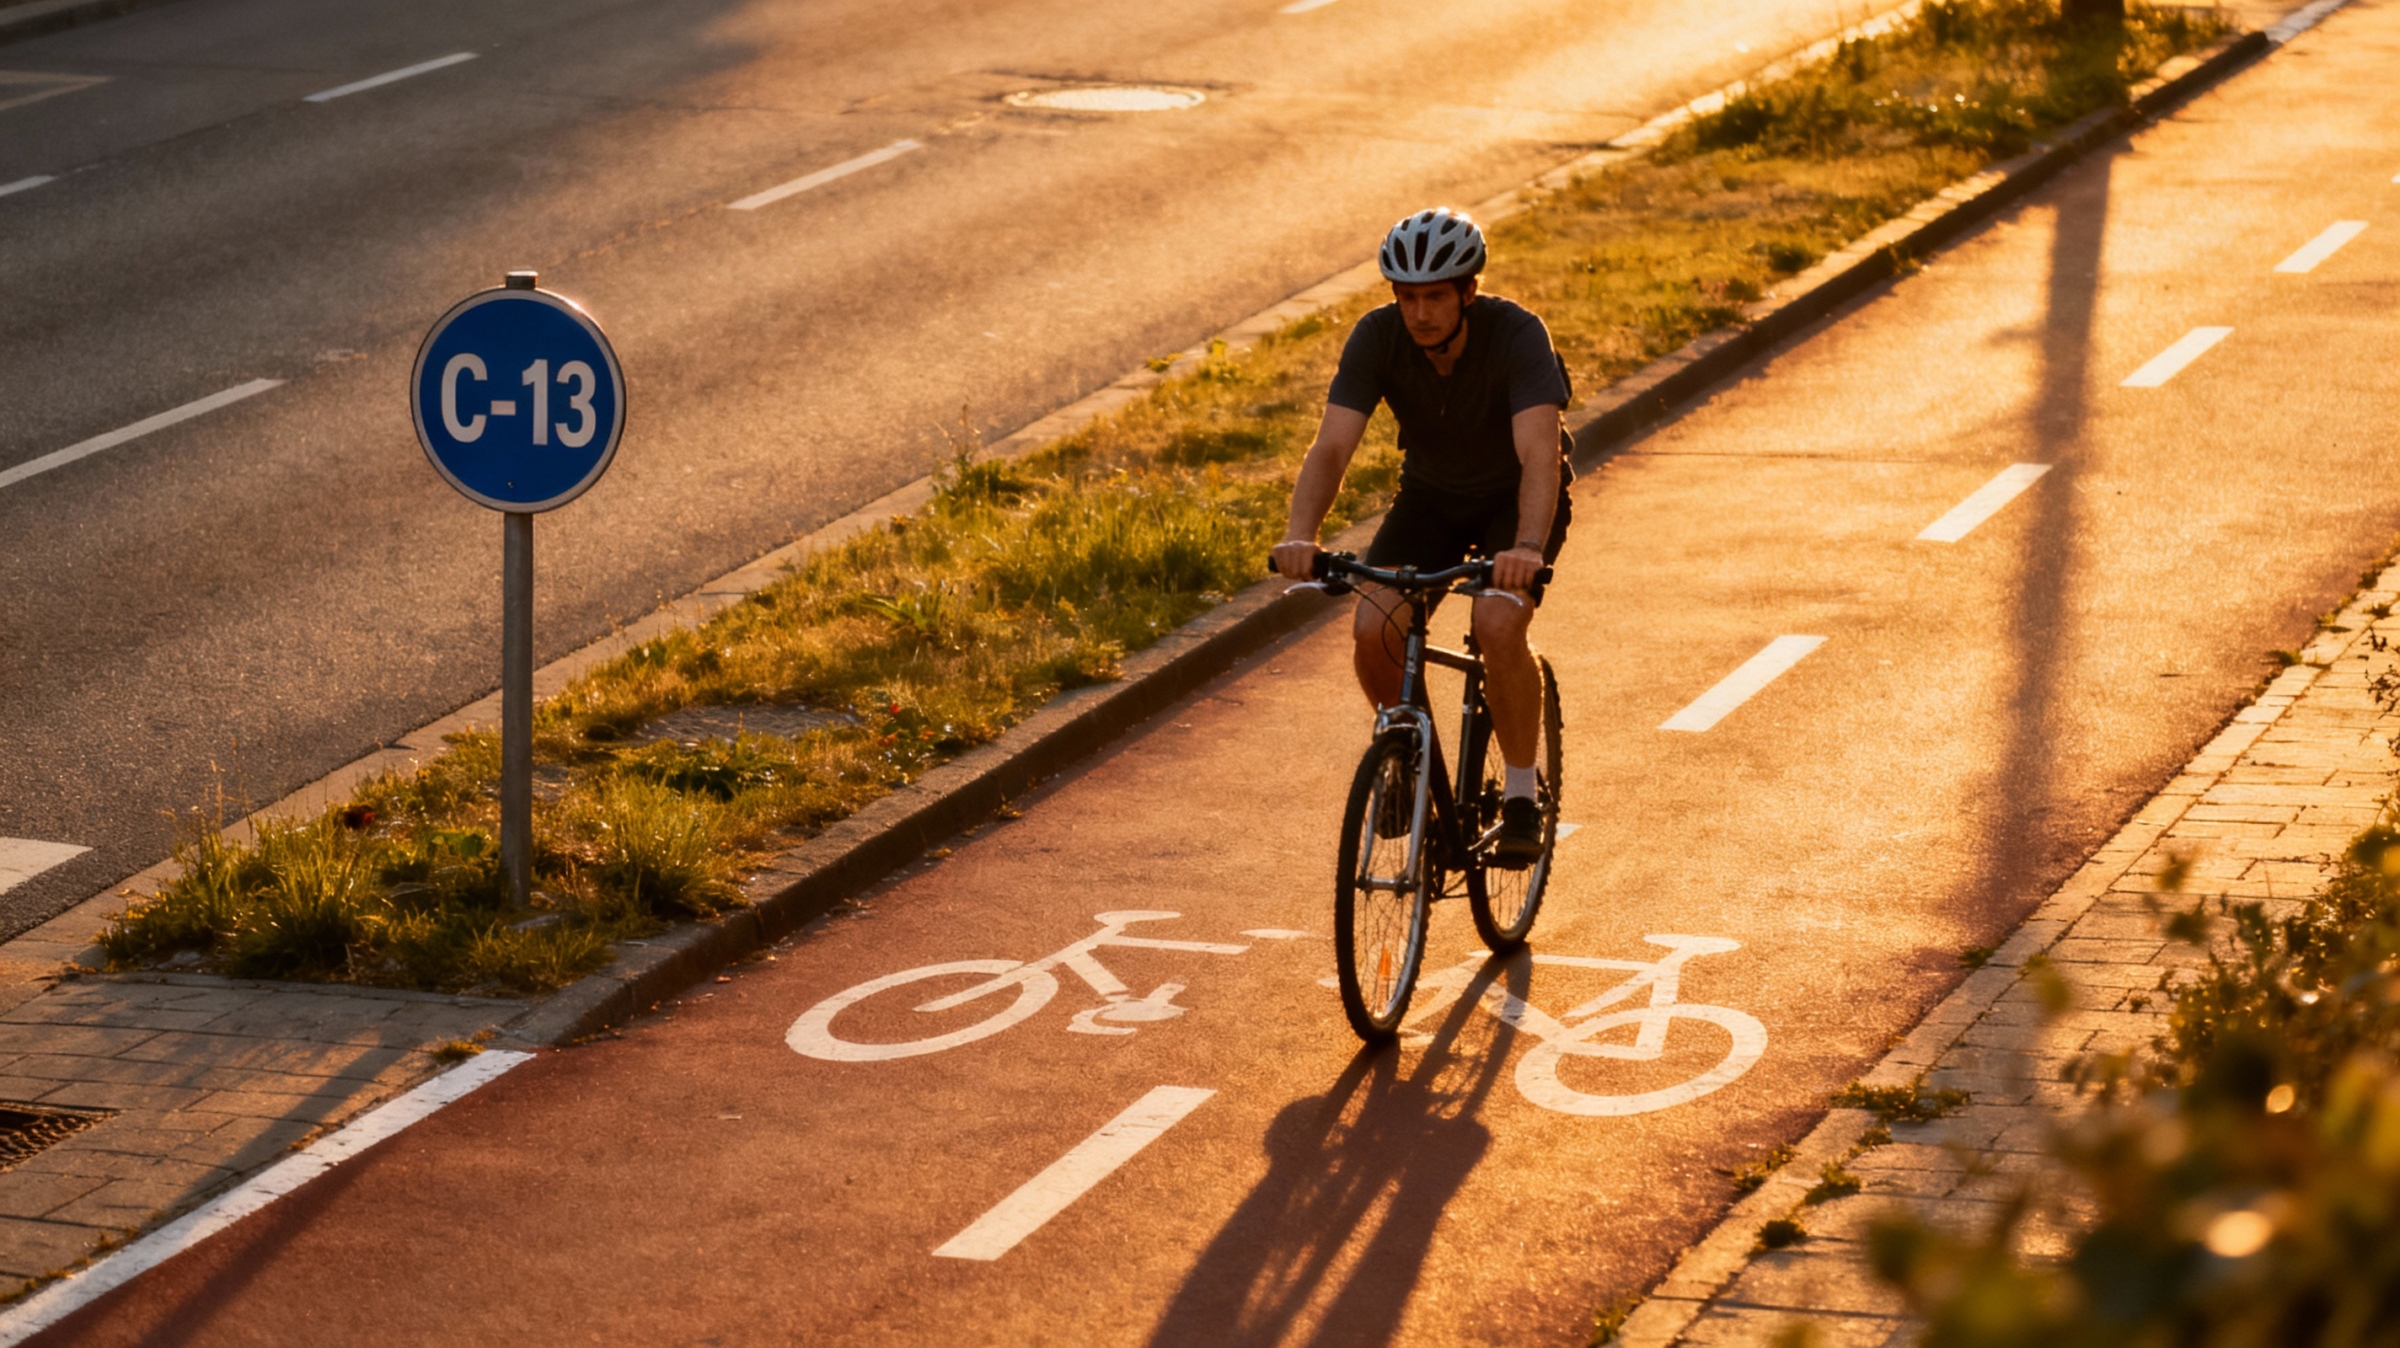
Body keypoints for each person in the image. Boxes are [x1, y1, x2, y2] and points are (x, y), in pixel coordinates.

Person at [1270, 207, 1571, 865]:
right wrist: (1301, 535)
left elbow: (1539, 456)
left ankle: (1521, 795)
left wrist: (1524, 547)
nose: (1420, 312)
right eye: (1407, 297)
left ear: (1468, 291)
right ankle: (1408, 756)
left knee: (1496, 625)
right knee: (1373, 630)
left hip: (1511, 503)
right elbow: (1331, 448)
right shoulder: (1377, 338)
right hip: (1431, 499)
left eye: (1436, 296)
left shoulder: (1517, 334)